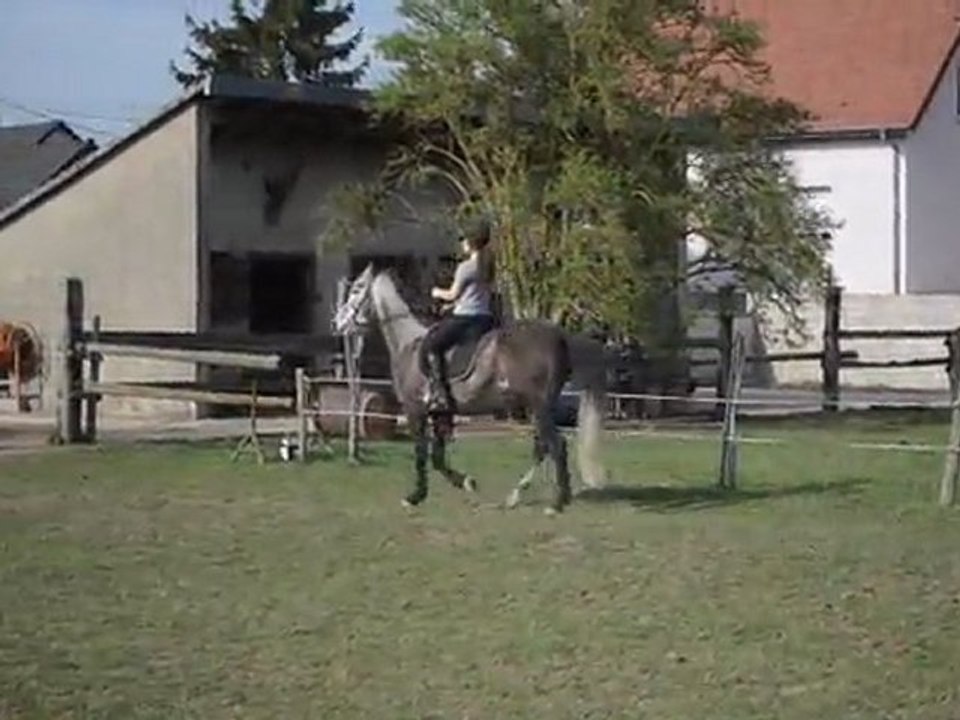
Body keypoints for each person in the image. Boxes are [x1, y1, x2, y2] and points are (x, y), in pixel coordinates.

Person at [421, 219, 497, 415]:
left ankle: (441, 395)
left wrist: (436, 292)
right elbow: (473, 295)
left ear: (470, 242)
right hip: (486, 318)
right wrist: (452, 306)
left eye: (463, 239)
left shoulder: (466, 267)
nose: (461, 243)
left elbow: (453, 293)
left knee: (432, 345)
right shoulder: (488, 264)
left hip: (466, 320)